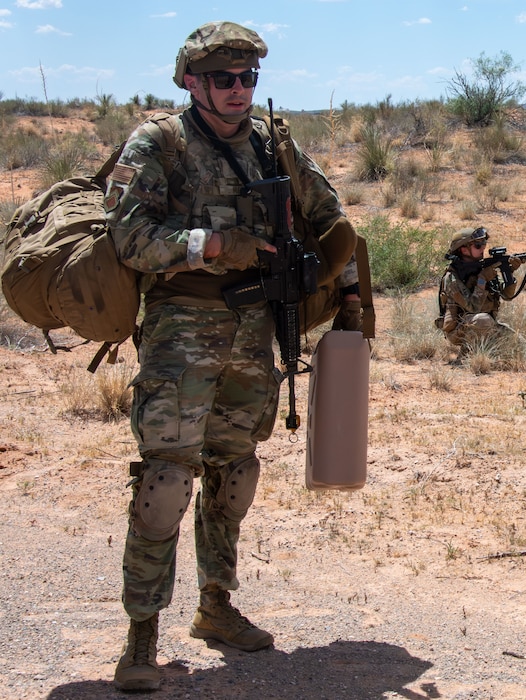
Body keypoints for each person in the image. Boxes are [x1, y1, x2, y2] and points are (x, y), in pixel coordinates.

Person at [105, 21, 358, 691]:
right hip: (181, 330)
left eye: (249, 78)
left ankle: (215, 606)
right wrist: (214, 245)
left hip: (255, 331)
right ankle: (141, 636)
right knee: (165, 482)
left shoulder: (274, 145)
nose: (240, 89)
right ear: (191, 80)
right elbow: (130, 237)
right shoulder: (160, 143)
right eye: (224, 78)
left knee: (234, 476)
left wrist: (346, 291)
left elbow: (328, 215)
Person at [436, 226, 524, 349]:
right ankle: (468, 353)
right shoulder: (452, 277)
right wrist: (482, 279)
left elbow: (507, 295)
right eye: (477, 245)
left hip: (487, 326)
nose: (483, 247)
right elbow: (473, 308)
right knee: (482, 320)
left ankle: (489, 350)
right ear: (464, 250)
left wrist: (509, 272)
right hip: (460, 330)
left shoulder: (482, 268)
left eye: (483, 243)